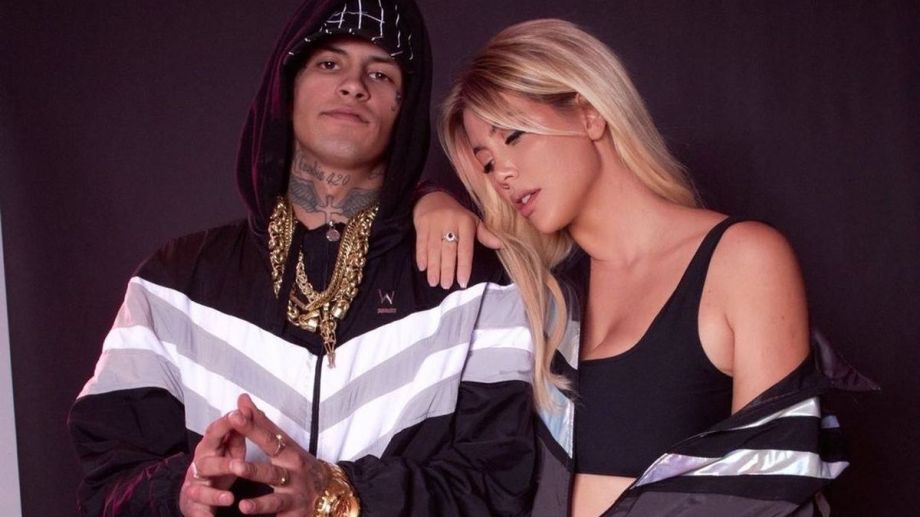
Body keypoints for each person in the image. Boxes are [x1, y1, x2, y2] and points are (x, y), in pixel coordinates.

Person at [67, 1, 538, 515]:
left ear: (404, 110)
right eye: (329, 63)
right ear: (285, 89)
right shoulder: (175, 281)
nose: (353, 85)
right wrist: (181, 492)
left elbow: (497, 488)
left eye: (381, 74)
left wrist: (337, 493)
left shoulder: (474, 282)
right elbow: (107, 483)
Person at [418, 18, 876, 517]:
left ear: (589, 115)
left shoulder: (742, 259)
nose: (502, 174)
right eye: (486, 163)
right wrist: (427, 200)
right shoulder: (537, 293)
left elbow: (771, 488)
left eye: (514, 137)